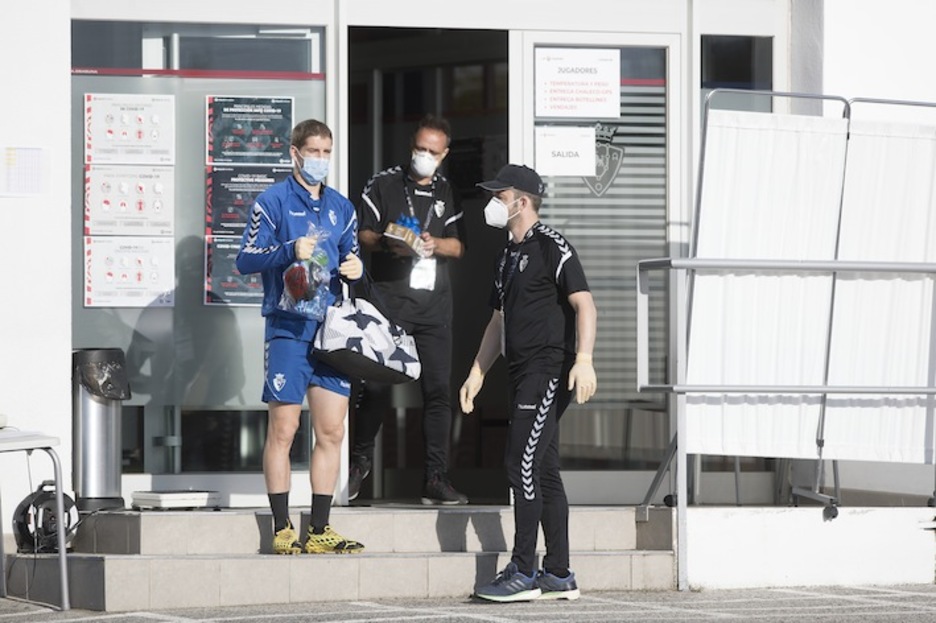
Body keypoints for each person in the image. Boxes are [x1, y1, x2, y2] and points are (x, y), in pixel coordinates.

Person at [459, 164, 597, 602]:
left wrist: (584, 360)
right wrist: (477, 371)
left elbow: (585, 305)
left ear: (521, 202)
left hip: (547, 370)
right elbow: (497, 322)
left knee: (519, 462)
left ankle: (523, 569)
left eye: (499, 196)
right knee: (544, 469)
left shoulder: (552, 246)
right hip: (520, 373)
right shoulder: (505, 257)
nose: (492, 203)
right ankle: (558, 574)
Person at [236, 118, 365, 555]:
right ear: (294, 153)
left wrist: (356, 269)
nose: (321, 160)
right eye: (314, 152)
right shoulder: (271, 201)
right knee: (285, 428)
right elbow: (245, 260)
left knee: (331, 430)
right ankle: (281, 526)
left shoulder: (342, 207)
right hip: (288, 329)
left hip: (330, 332)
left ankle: (321, 528)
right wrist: (289, 250)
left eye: (327, 153)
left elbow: (352, 256)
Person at [349, 114, 468, 505]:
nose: (425, 157)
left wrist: (434, 244)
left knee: (437, 393)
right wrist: (391, 242)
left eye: (433, 152)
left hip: (434, 307)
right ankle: (357, 463)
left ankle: (436, 477)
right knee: (377, 386)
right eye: (420, 149)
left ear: (444, 154)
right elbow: (363, 233)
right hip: (389, 303)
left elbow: (459, 245)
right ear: (411, 146)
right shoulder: (383, 182)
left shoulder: (448, 190)